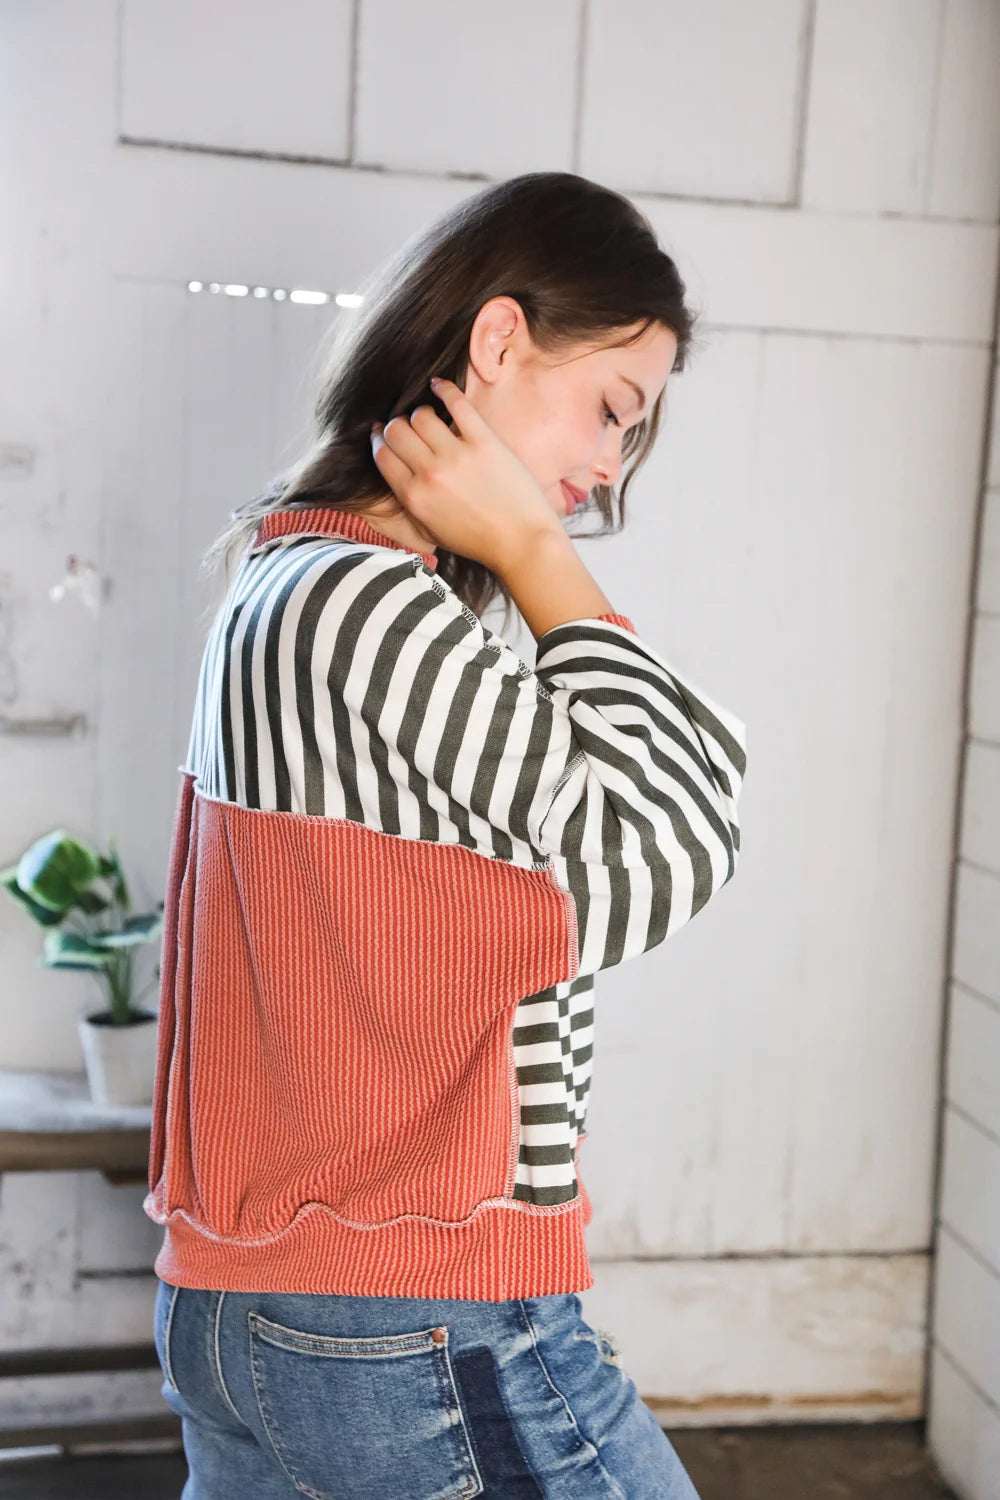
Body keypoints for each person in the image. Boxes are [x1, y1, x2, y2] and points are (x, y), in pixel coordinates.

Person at [147, 171, 747, 1498]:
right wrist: (539, 556)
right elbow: (667, 849)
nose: (605, 470)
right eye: (612, 409)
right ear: (496, 340)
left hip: (259, 1306)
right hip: (406, 1310)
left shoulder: (289, 582)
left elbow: (656, 799)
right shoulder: (368, 611)